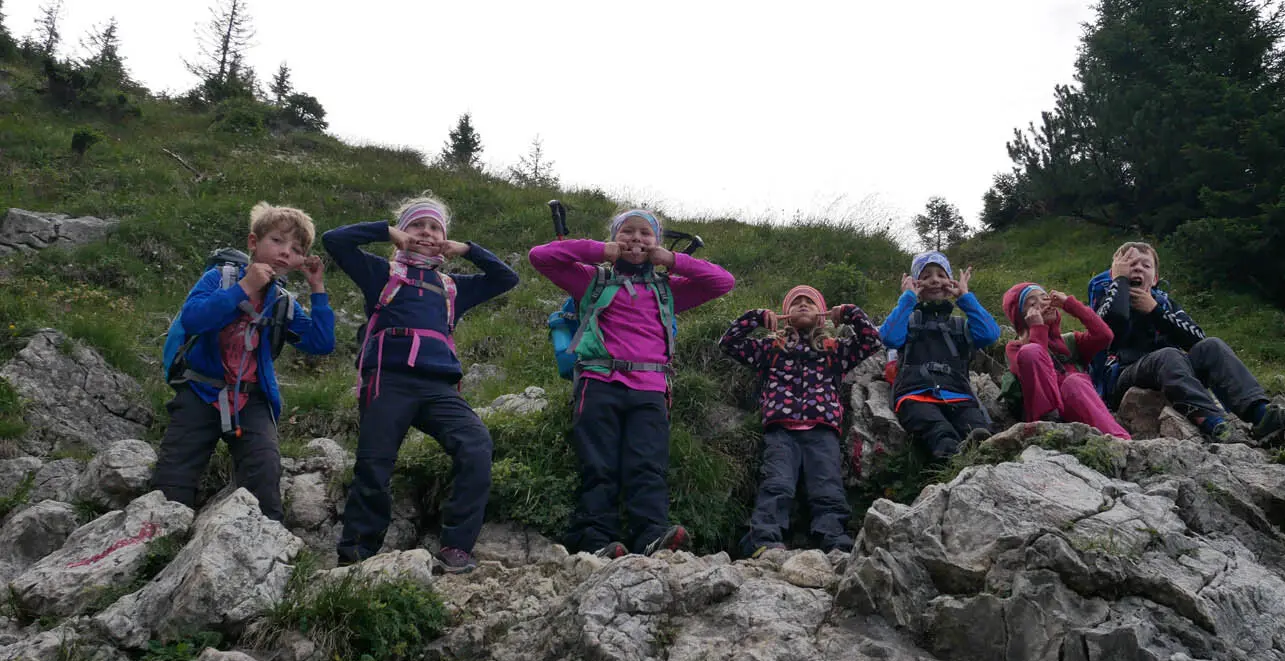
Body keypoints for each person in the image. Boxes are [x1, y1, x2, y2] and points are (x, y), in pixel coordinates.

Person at [324, 193, 519, 573]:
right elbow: (335, 239)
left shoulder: (452, 287)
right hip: (388, 379)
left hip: (439, 388)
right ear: (403, 230)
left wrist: (467, 249)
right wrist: (386, 233)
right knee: (374, 466)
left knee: (476, 444)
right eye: (417, 225)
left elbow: (506, 278)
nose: (426, 233)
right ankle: (356, 558)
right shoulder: (381, 273)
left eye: (435, 228)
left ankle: (457, 547)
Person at [529, 208, 734, 558]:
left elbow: (722, 282)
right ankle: (595, 539)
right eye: (627, 232)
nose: (636, 239)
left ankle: (651, 535)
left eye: (645, 234)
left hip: (651, 386)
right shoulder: (591, 280)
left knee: (648, 464)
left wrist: (673, 259)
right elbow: (540, 257)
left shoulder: (668, 288)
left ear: (656, 243)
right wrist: (600, 250)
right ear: (614, 237)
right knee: (599, 463)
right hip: (598, 381)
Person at [153, 202, 335, 522]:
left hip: (251, 399)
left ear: (299, 261)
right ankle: (160, 541)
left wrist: (317, 288)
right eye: (276, 241)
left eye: (295, 249)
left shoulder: (282, 302)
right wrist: (245, 287)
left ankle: (267, 542)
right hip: (200, 390)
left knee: (264, 473)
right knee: (174, 477)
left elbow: (321, 343)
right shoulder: (219, 278)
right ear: (253, 243)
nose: (284, 252)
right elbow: (193, 319)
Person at [1089, 241, 1285, 441]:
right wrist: (1119, 282)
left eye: (1146, 265)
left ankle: (1262, 414)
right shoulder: (1107, 296)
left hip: (1170, 367)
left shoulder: (1164, 304)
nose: (1138, 267)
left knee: (1212, 346)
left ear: (1155, 278)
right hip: (1122, 376)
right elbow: (1109, 328)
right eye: (1130, 264)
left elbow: (1197, 339)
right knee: (1169, 355)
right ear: (1115, 271)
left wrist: (1155, 312)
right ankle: (1215, 424)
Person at [720, 285, 882, 557]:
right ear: (785, 315)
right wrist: (756, 318)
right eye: (796, 303)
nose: (803, 305)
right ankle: (764, 539)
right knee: (777, 483)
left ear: (822, 315)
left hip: (822, 429)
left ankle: (834, 540)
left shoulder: (833, 350)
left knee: (827, 486)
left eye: (810, 302)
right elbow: (729, 343)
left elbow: (871, 341)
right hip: (781, 429)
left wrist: (851, 313)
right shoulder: (772, 348)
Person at [879, 250, 1001, 458]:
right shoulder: (909, 323)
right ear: (916, 285)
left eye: (941, 275)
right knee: (936, 428)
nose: (934, 280)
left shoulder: (959, 326)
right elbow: (889, 337)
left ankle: (981, 454)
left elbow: (989, 335)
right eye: (925, 277)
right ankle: (949, 455)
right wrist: (908, 298)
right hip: (915, 395)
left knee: (976, 427)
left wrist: (965, 297)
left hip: (959, 395)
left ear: (950, 283)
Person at [1001, 281, 1129, 437]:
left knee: (1074, 382)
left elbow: (1104, 336)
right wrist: (1037, 329)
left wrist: (1069, 304)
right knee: (1031, 351)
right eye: (1033, 303)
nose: (1043, 303)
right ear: (1022, 318)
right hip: (1043, 417)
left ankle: (1120, 440)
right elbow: (1037, 361)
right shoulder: (1015, 348)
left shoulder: (1070, 342)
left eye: (1045, 297)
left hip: (1080, 410)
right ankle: (1049, 418)